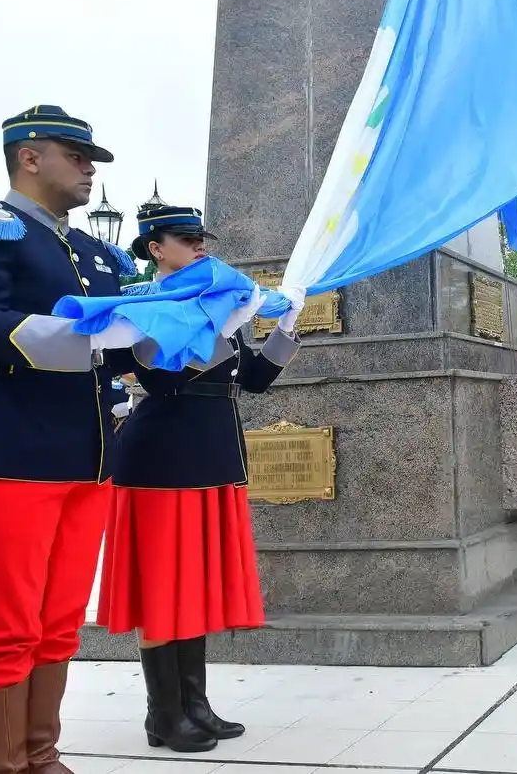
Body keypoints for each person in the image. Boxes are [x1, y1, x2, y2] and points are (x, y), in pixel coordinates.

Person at [0, 106, 143, 773]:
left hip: (86, 459)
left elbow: (113, 356)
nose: (90, 168)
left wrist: (176, 333)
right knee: (4, 625)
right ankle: (2, 765)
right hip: (8, 457)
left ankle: (40, 755)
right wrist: (83, 335)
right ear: (30, 157)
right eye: (78, 155)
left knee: (59, 621)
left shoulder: (96, 253)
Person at [96, 200, 303, 753]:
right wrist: (225, 318)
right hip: (162, 461)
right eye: (183, 239)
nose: (198, 245)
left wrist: (285, 326)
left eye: (200, 237)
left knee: (194, 582)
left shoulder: (216, 298)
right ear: (155, 248)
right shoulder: (140, 305)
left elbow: (254, 380)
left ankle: (195, 705)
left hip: (213, 456)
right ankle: (164, 714)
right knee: (164, 585)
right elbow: (161, 380)